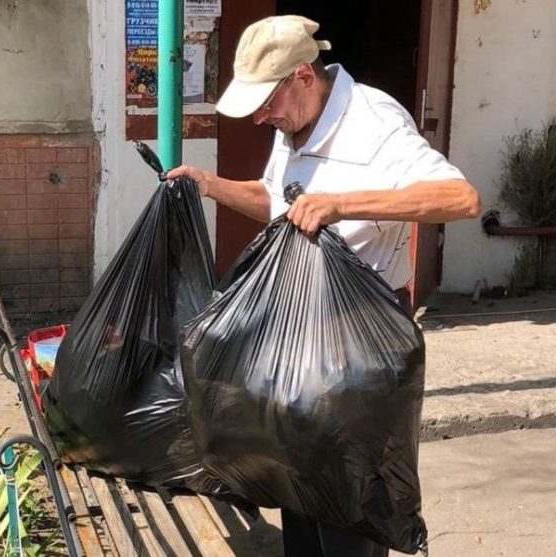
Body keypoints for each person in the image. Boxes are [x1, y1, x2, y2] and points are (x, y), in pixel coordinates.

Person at [165, 14, 480, 557]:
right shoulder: (293, 124)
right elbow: (277, 201)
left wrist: (342, 204)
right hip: (302, 331)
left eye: (267, 102)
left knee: (350, 506)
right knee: (299, 485)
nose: (261, 117)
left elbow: (461, 198)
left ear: (304, 76)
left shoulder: (375, 121)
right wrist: (210, 185)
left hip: (362, 341)